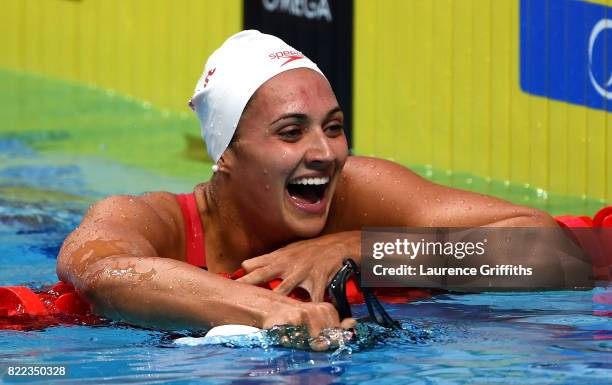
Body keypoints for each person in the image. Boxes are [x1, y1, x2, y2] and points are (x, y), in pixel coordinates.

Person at [56, 30, 591, 345]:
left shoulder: (357, 191)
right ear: (226, 155)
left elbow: (556, 257)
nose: (325, 152)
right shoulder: (157, 221)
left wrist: (364, 249)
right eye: (291, 132)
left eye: (333, 127)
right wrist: (268, 310)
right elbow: (104, 272)